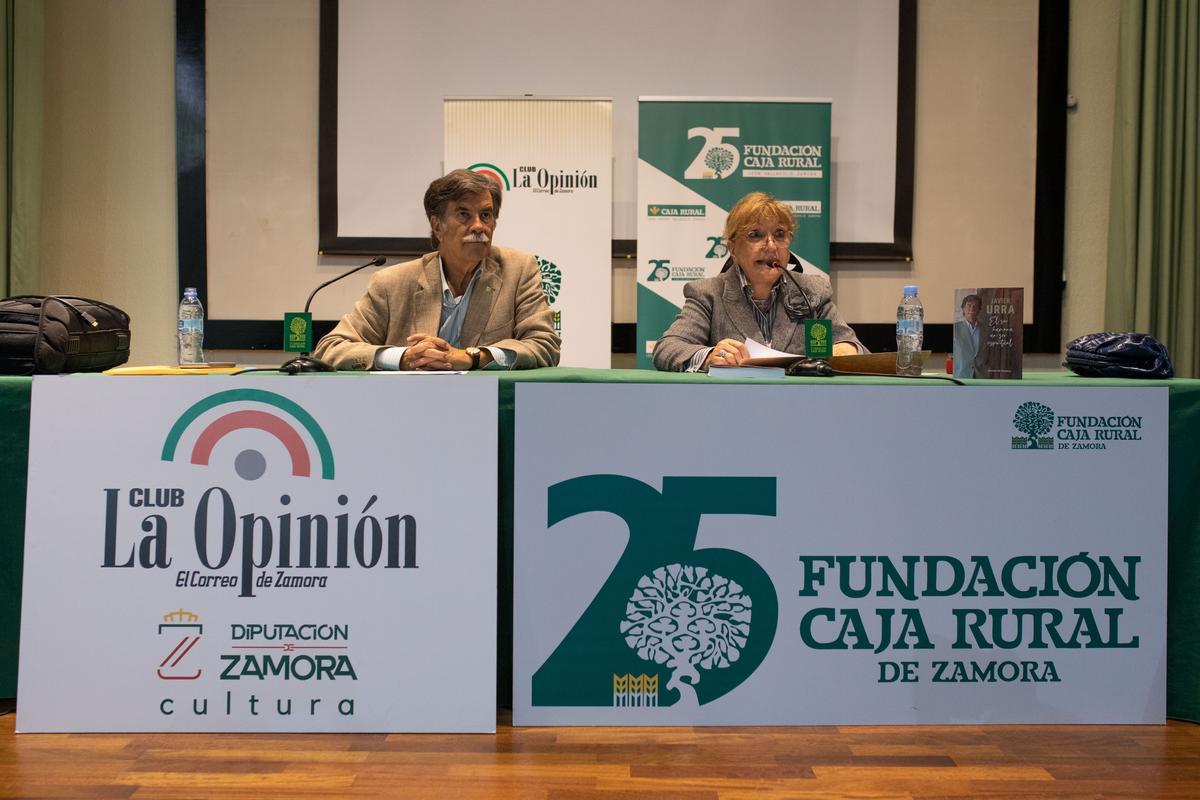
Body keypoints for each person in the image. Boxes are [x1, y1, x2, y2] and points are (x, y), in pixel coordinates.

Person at [312, 169, 560, 370]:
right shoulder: (393, 283)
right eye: (464, 215)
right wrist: (404, 358)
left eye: (486, 215)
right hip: (409, 411)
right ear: (437, 225)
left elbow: (544, 344)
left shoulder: (518, 270)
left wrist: (472, 357)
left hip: (488, 410)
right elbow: (332, 347)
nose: (478, 226)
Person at [652, 192, 864, 372]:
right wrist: (709, 357)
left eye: (779, 235)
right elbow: (667, 348)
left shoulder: (812, 291)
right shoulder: (709, 294)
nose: (771, 245)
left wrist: (847, 350)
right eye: (756, 235)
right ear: (732, 248)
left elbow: (856, 348)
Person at [952, 293, 982, 378]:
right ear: (963, 309)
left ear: (979, 310)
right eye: (969, 305)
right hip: (961, 376)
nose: (972, 309)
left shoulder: (986, 329)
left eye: (975, 306)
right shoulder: (955, 328)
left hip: (982, 377)